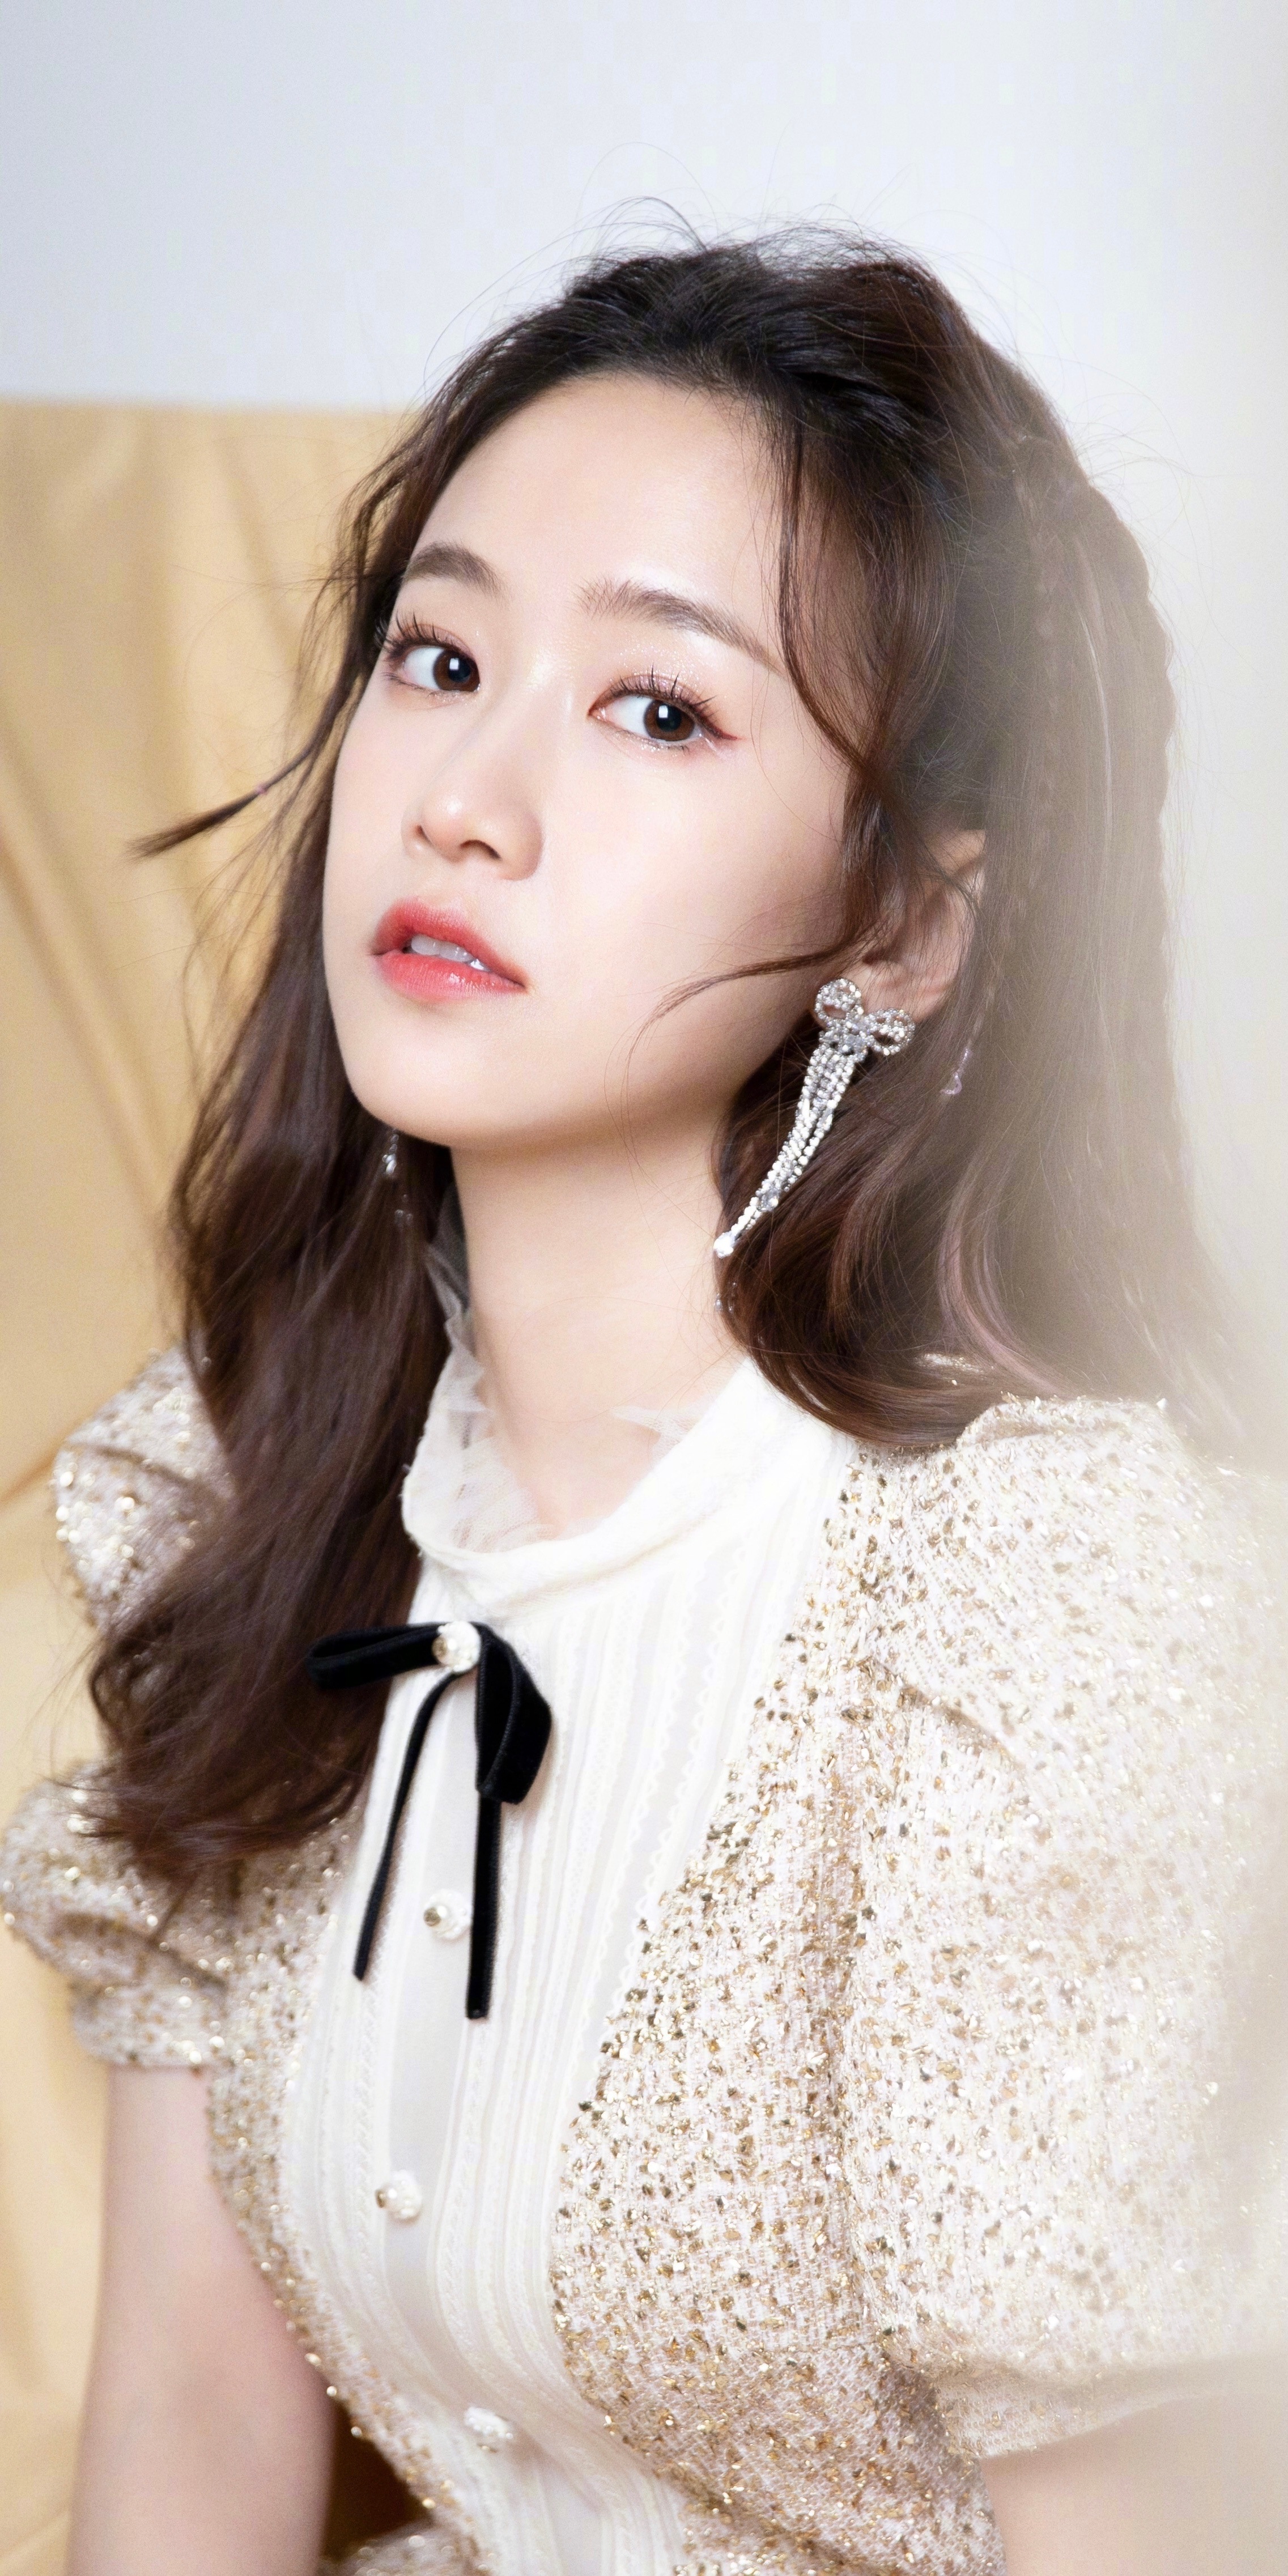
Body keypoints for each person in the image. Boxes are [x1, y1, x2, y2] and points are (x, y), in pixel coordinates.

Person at [2, 232, 1285, 2576]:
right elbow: (189, 2419)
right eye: (440, 657)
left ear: (903, 925)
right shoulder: (247, 1485)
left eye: (659, 711)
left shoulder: (1041, 1613)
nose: (466, 802)